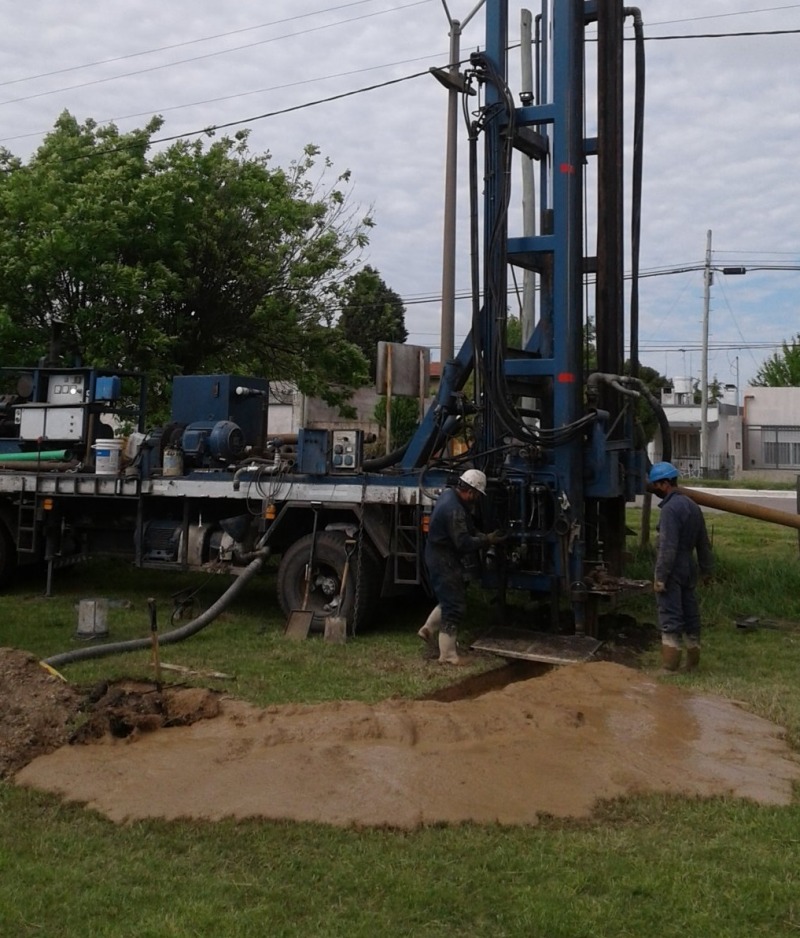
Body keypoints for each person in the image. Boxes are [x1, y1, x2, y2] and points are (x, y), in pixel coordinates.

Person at [418, 468, 506, 666]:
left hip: (438, 554)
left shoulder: (451, 496)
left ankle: (427, 629)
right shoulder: (455, 509)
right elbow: (463, 543)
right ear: (471, 492)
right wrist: (488, 539)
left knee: (448, 597)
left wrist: (482, 534)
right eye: (477, 496)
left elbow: (467, 527)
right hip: (444, 558)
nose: (476, 500)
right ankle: (447, 655)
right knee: (454, 606)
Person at [648, 461, 714, 672]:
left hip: (673, 568)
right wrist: (706, 571)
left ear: (665, 483)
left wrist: (660, 578)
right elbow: (703, 543)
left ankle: (669, 666)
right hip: (689, 567)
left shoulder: (669, 510)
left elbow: (668, 547)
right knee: (690, 613)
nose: (655, 489)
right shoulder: (692, 506)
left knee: (670, 614)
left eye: (656, 485)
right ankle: (692, 663)